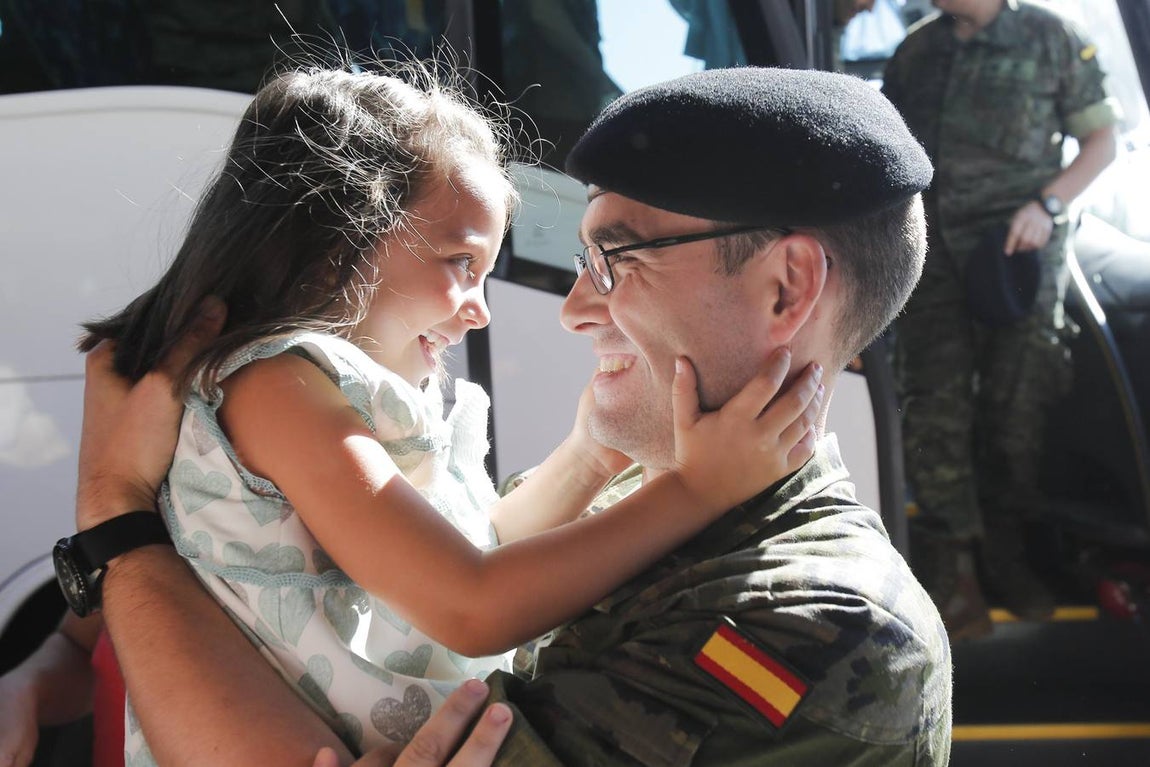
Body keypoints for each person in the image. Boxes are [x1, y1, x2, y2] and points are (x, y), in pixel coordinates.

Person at [72, 65, 950, 765]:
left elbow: (472, 588)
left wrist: (115, 515)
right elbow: (475, 568)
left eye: (617, 260)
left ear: (786, 286)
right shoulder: (627, 504)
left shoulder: (819, 619)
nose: (571, 310)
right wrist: (618, 460)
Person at [881, 0, 1122, 639]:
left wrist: (1047, 204)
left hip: (1015, 253)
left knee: (1018, 408)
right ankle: (951, 571)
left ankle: (1007, 556)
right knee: (934, 408)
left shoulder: (1049, 38)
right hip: (929, 256)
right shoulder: (917, 50)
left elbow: (1101, 141)